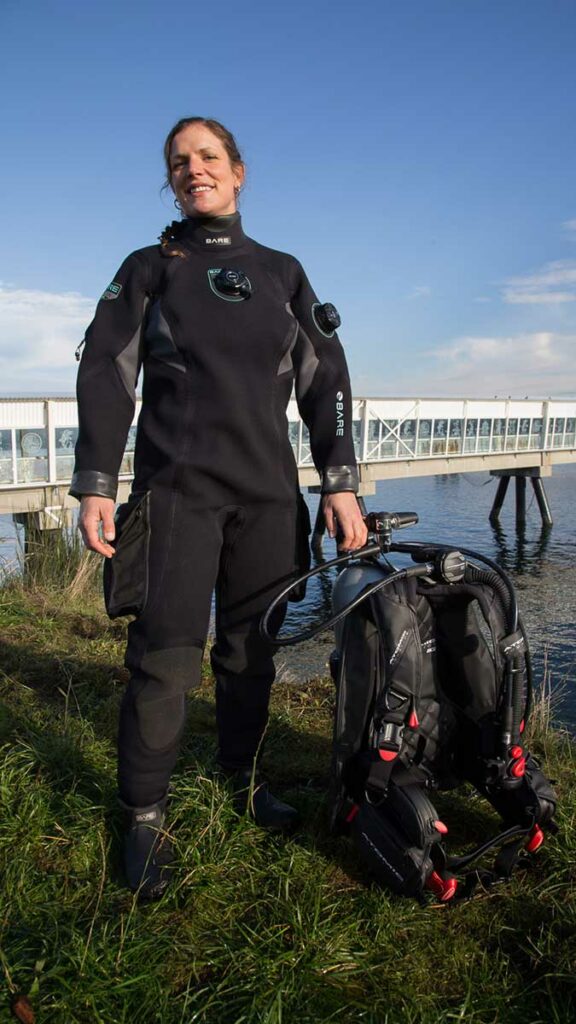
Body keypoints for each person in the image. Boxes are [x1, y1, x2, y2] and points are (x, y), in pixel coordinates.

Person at [71, 116, 367, 898]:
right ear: (172, 180)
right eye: (179, 162)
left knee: (251, 653)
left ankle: (241, 779)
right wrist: (96, 484)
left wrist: (339, 480)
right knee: (165, 657)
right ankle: (143, 814)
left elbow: (324, 380)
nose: (193, 170)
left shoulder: (282, 272)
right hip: (177, 498)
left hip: (269, 498)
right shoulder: (149, 270)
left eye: (207, 157)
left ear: (238, 172)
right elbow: (106, 373)